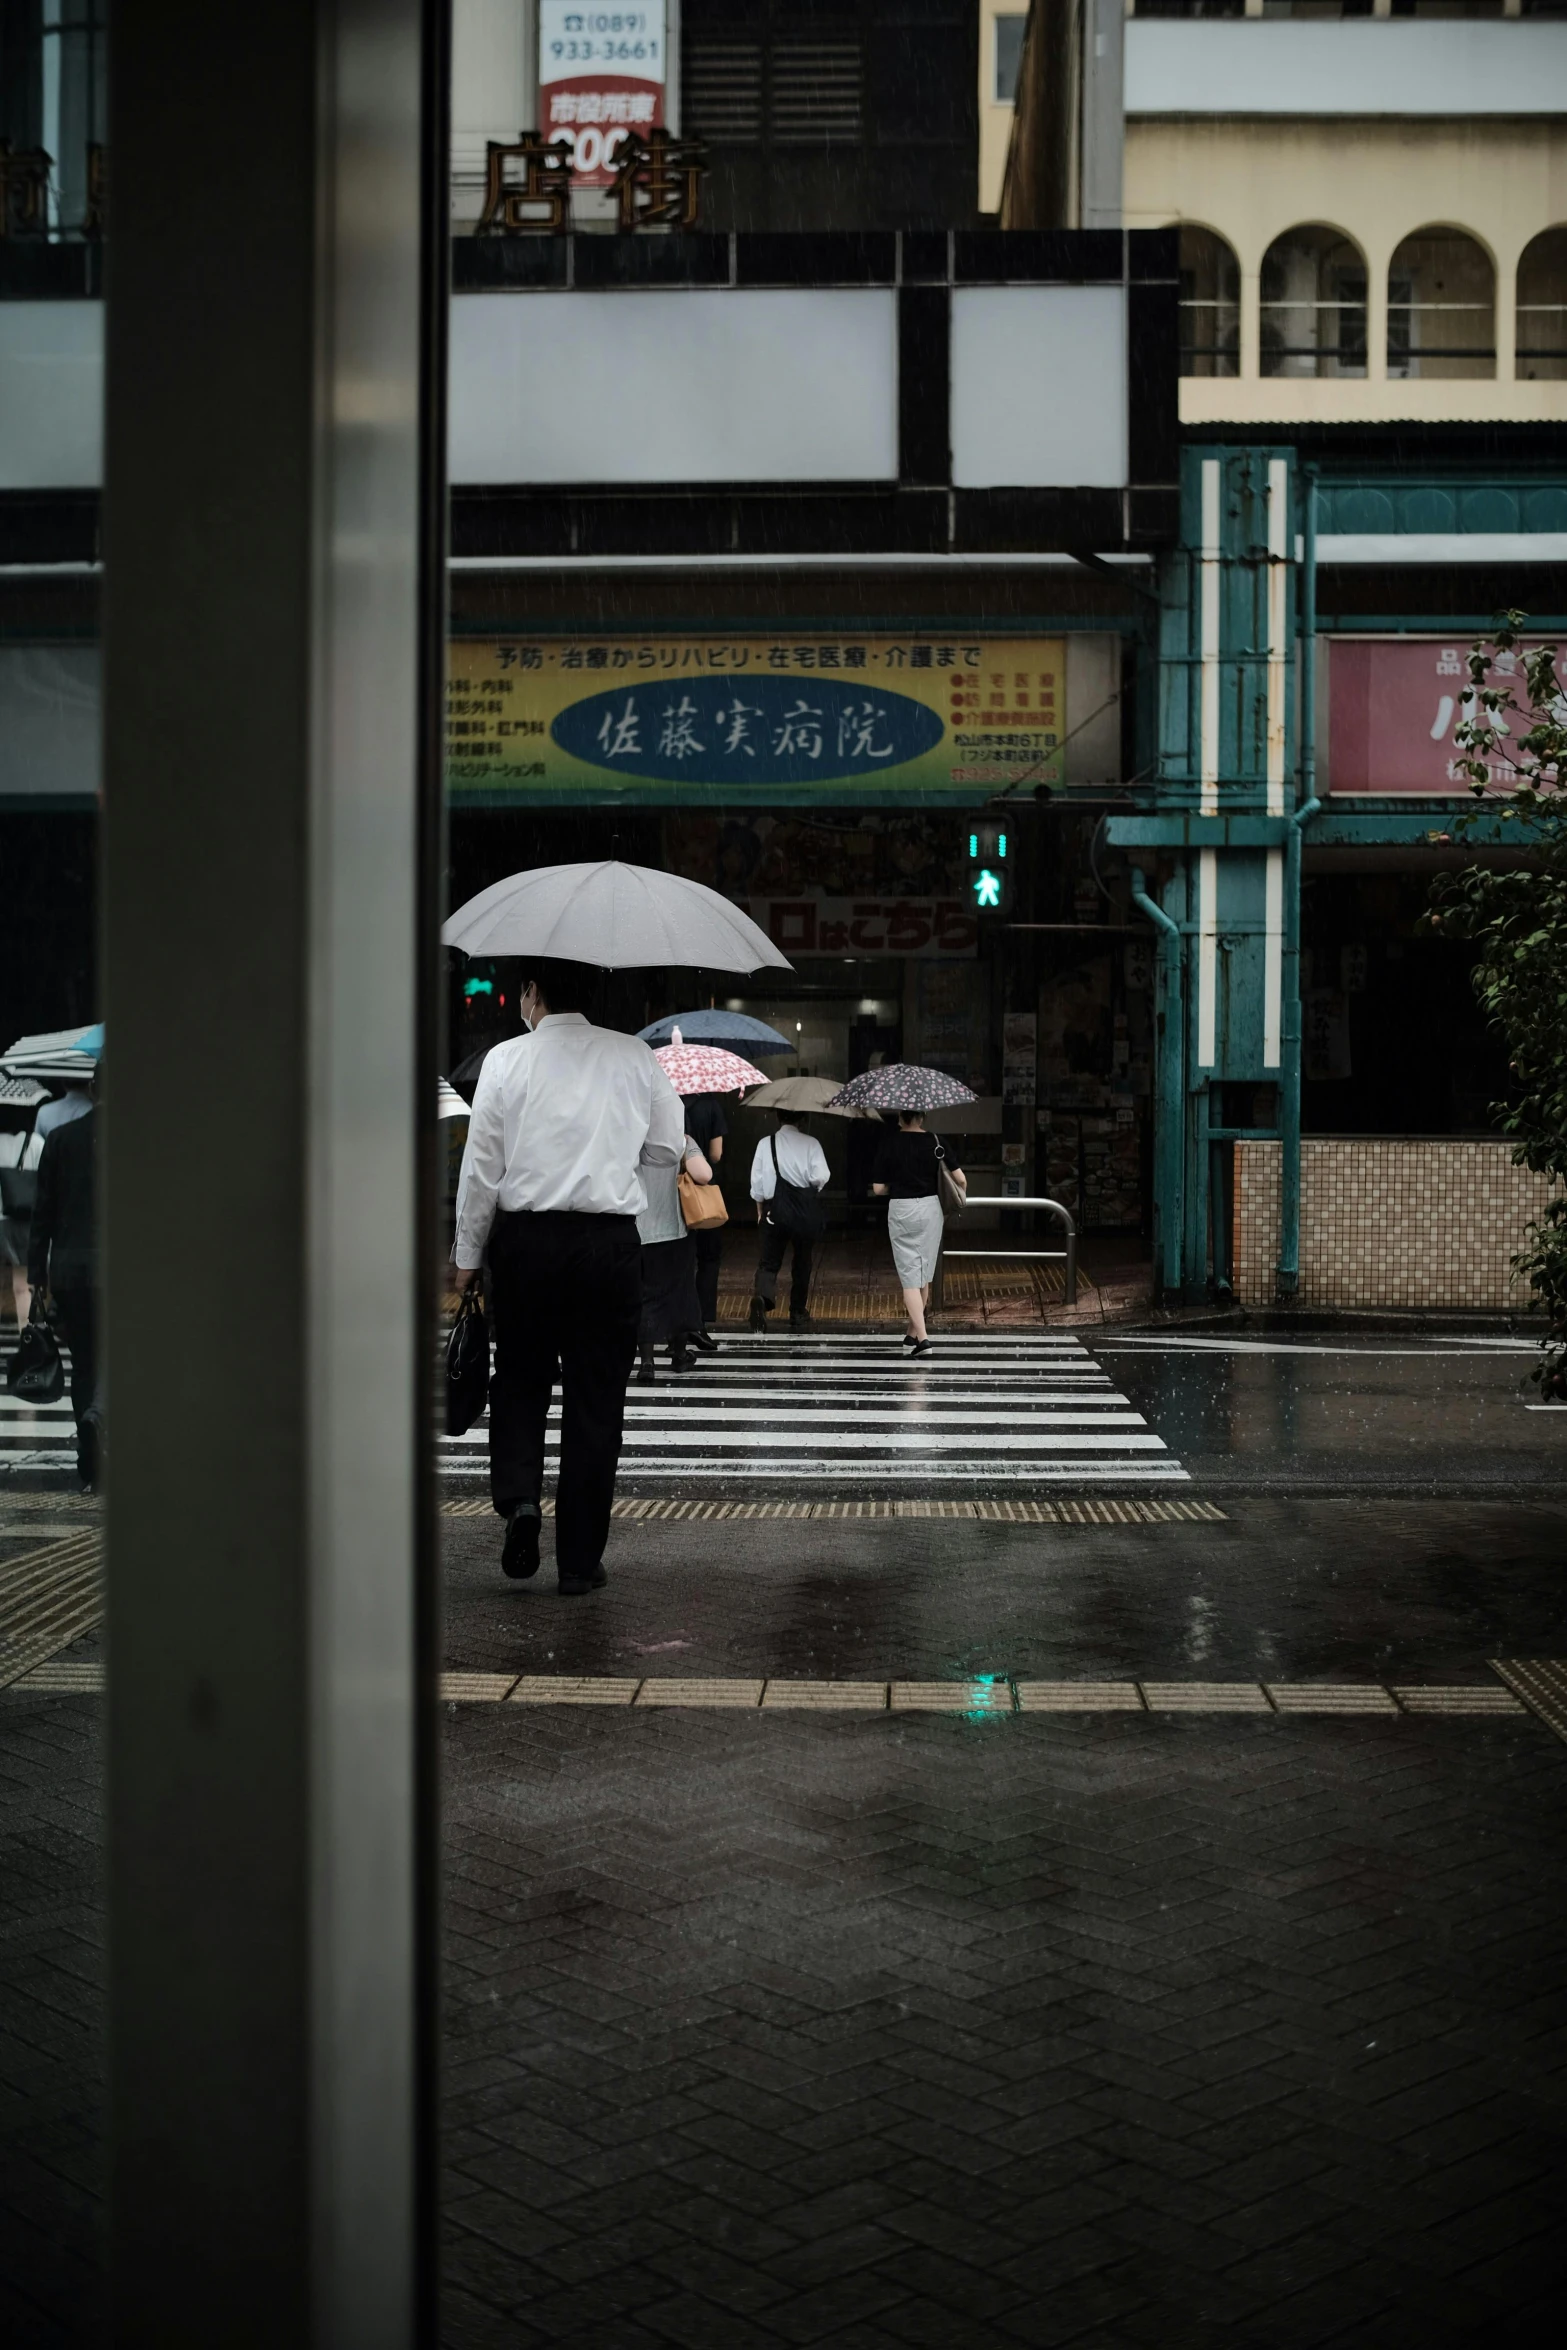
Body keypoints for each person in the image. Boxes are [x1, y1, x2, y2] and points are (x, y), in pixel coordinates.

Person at [452, 958, 684, 1596]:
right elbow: (668, 1147)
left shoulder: (505, 1061)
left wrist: (468, 1254)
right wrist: (613, 1153)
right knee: (595, 1400)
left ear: (532, 993)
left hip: (526, 1242)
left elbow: (482, 1169)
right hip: (607, 1244)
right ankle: (579, 1562)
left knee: (521, 1379)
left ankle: (522, 1500)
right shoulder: (634, 1057)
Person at [27, 1078, 101, 1487]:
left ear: (92, 1089)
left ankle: (89, 1465)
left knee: (84, 1361)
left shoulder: (60, 1139)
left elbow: (43, 1213)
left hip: (70, 1270)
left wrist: (37, 1275)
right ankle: (100, 1419)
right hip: (119, 1268)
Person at [871, 1111, 965, 1358]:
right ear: (922, 1117)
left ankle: (923, 1340)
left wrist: (900, 1181)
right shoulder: (937, 1142)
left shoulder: (889, 1143)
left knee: (909, 1277)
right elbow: (961, 1180)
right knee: (923, 1273)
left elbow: (879, 1189)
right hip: (930, 1208)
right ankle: (912, 1334)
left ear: (901, 1117)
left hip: (902, 1208)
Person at [635, 1132, 711, 1384]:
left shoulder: (631, 1136)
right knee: (679, 1293)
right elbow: (704, 1175)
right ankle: (679, 1355)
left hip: (639, 1229)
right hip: (675, 1230)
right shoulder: (681, 1140)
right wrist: (687, 1146)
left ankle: (647, 1363)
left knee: (645, 1295)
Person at [748, 1109, 829, 1331]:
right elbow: (821, 1176)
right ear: (802, 1119)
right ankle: (797, 1311)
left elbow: (757, 1182)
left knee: (769, 1261)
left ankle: (763, 1299)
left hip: (774, 1210)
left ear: (777, 1117)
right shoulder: (812, 1143)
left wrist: (759, 1208)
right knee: (803, 1261)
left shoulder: (766, 1143)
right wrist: (807, 1187)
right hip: (803, 1211)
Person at [680, 1089, 728, 1349]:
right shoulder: (711, 1105)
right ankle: (700, 1322)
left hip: (674, 1191)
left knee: (679, 1261)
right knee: (708, 1259)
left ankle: (676, 1328)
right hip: (703, 1194)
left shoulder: (667, 1104)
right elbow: (716, 1154)